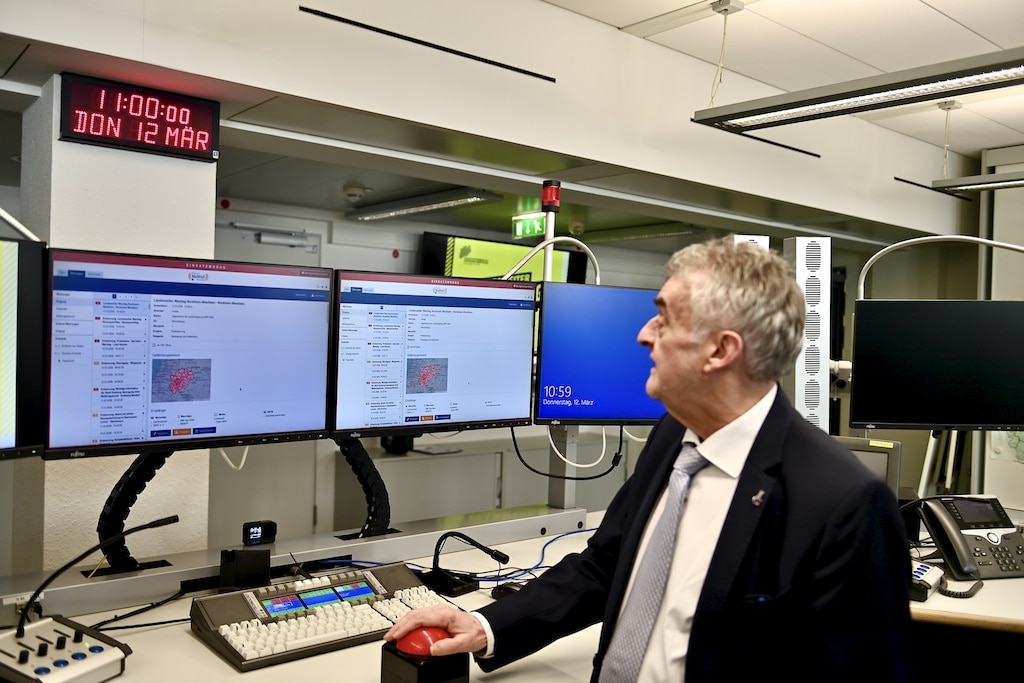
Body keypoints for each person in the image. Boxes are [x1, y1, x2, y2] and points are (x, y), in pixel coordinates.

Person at [385, 235, 912, 682]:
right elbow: (606, 565)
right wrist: (488, 625)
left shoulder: (843, 502)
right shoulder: (674, 436)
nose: (643, 335)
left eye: (663, 319)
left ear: (719, 351)